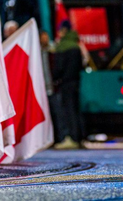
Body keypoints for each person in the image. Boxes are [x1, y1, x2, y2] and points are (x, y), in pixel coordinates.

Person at [52, 20, 82, 149]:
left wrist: (55, 78)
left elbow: (59, 67)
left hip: (65, 83)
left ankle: (70, 138)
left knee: (67, 110)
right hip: (76, 82)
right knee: (75, 109)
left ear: (64, 30)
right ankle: (78, 137)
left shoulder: (63, 46)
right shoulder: (76, 45)